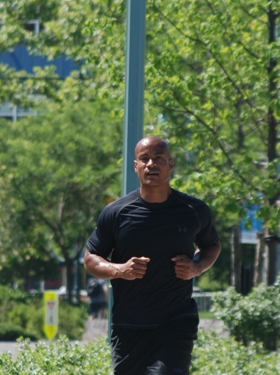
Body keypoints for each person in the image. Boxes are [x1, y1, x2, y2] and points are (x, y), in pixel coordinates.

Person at [84, 136, 221, 375]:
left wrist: (196, 267)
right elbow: (90, 258)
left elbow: (211, 247)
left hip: (176, 321)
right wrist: (120, 270)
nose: (151, 164)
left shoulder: (193, 210)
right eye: (144, 159)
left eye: (158, 158)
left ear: (171, 163)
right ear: (135, 166)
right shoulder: (116, 213)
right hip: (129, 325)